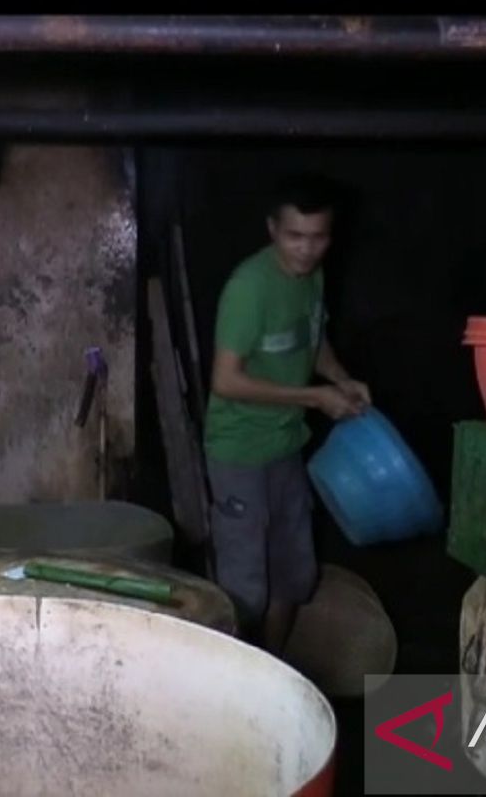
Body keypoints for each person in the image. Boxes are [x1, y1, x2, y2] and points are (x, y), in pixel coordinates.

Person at [203, 173, 371, 654]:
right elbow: (226, 381)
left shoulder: (312, 278)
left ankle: (273, 670)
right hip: (239, 454)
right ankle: (232, 689)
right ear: (273, 229)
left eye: (318, 238)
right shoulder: (249, 289)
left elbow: (311, 343)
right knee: (244, 591)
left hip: (285, 448)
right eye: (295, 236)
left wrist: (338, 379)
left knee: (294, 577)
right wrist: (315, 399)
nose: (306, 250)